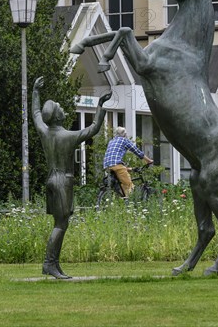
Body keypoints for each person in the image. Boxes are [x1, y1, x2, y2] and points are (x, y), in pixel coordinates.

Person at [32, 76, 112, 279]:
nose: (62, 109)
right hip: (62, 182)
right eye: (60, 108)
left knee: (60, 223)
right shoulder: (67, 136)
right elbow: (93, 128)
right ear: (58, 117)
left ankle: (54, 264)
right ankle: (49, 264)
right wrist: (100, 105)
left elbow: (35, 114)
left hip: (51, 179)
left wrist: (35, 92)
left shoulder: (45, 132)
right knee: (61, 224)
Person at [103, 127, 153, 198]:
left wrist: (128, 168)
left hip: (107, 166)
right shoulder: (124, 140)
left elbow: (114, 158)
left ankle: (121, 197)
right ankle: (129, 203)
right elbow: (137, 151)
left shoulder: (111, 141)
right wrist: (149, 161)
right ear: (124, 134)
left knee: (122, 183)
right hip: (117, 165)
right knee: (129, 185)